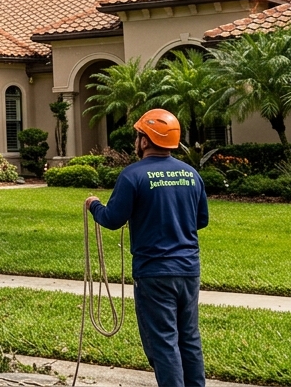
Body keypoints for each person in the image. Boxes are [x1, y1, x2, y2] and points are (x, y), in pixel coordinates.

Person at [85, 109, 209, 387]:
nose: (136, 140)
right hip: (189, 270)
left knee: (163, 341)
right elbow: (201, 220)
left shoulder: (132, 175)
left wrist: (94, 205)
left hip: (153, 273)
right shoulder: (191, 175)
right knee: (188, 337)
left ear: (145, 140)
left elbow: (113, 219)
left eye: (138, 135)